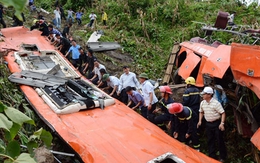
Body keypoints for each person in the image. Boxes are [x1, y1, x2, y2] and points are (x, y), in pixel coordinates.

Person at [197, 86, 227, 162]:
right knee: (210, 140)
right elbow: (201, 111)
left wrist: (222, 123)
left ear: (209, 95)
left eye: (204, 94)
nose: (203, 95)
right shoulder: (202, 103)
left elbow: (222, 113)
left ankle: (223, 157)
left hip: (216, 124)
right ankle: (212, 156)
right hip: (208, 124)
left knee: (220, 140)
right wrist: (200, 121)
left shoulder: (216, 103)